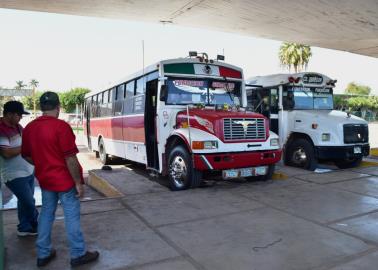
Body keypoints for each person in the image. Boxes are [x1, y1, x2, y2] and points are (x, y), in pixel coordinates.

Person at [21, 92, 99, 267]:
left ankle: (43, 253)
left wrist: (41, 162)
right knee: (71, 216)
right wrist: (78, 182)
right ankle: (78, 254)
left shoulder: (30, 128)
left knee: (46, 215)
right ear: (58, 107)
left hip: (46, 181)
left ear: (42, 108)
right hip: (65, 182)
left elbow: (25, 155)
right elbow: (70, 158)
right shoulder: (61, 127)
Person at [0, 101, 38, 236]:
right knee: (29, 202)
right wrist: (26, 148)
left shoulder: (18, 127)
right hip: (14, 175)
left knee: (23, 201)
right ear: (9, 114)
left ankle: (24, 227)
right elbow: (6, 153)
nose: (21, 117)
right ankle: (37, 223)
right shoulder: (1, 129)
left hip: (27, 171)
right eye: (19, 115)